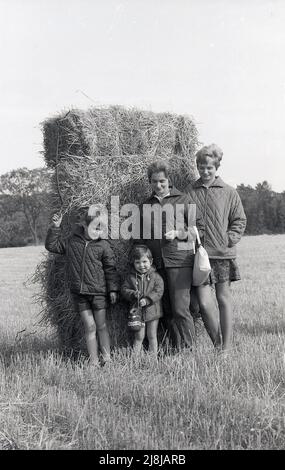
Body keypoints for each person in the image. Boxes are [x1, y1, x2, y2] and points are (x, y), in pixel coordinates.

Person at [186, 144, 247, 351]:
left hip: (222, 254)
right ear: (197, 167)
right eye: (201, 167)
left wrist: (228, 239)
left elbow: (239, 220)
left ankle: (226, 348)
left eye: (209, 168)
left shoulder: (229, 192)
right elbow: (184, 221)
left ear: (217, 167)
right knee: (203, 303)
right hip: (199, 256)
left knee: (223, 299)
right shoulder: (190, 192)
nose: (205, 171)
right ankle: (218, 344)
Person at [134, 160, 199, 351]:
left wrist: (179, 233)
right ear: (150, 182)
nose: (159, 185)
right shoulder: (145, 205)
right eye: (154, 182)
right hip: (156, 265)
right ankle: (175, 349)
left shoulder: (184, 200)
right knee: (167, 311)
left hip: (180, 262)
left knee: (180, 309)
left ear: (169, 180)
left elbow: (199, 230)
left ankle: (189, 351)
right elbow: (138, 237)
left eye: (162, 181)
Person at [45, 205, 120, 365]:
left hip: (98, 292)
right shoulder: (72, 242)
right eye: (95, 227)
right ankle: (93, 361)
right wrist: (55, 228)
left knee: (101, 326)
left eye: (101, 228)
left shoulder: (103, 245)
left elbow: (110, 269)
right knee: (90, 327)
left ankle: (107, 359)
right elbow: (52, 246)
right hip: (79, 294)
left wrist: (113, 289)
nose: (99, 231)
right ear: (84, 225)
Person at [121, 245, 164, 357]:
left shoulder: (155, 276)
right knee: (139, 337)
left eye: (145, 262)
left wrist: (148, 299)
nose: (142, 265)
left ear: (151, 261)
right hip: (138, 313)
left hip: (153, 311)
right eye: (138, 262)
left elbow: (159, 290)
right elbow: (124, 289)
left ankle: (153, 360)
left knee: (152, 335)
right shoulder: (131, 277)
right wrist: (132, 294)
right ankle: (135, 360)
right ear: (133, 263)